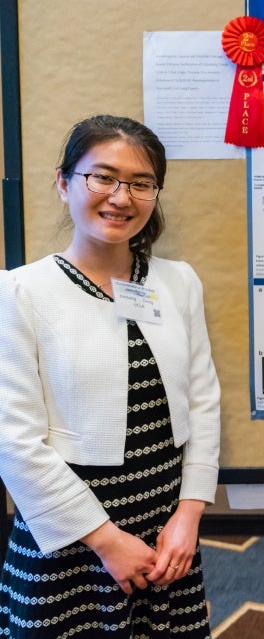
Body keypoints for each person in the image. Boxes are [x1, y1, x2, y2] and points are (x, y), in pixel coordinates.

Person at [0, 115, 221, 637]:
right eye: (102, 177)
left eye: (141, 183)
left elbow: (203, 402)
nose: (122, 197)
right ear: (64, 182)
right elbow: (13, 440)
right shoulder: (20, 293)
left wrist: (188, 515)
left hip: (165, 526)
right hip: (70, 533)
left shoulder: (179, 282)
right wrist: (107, 540)